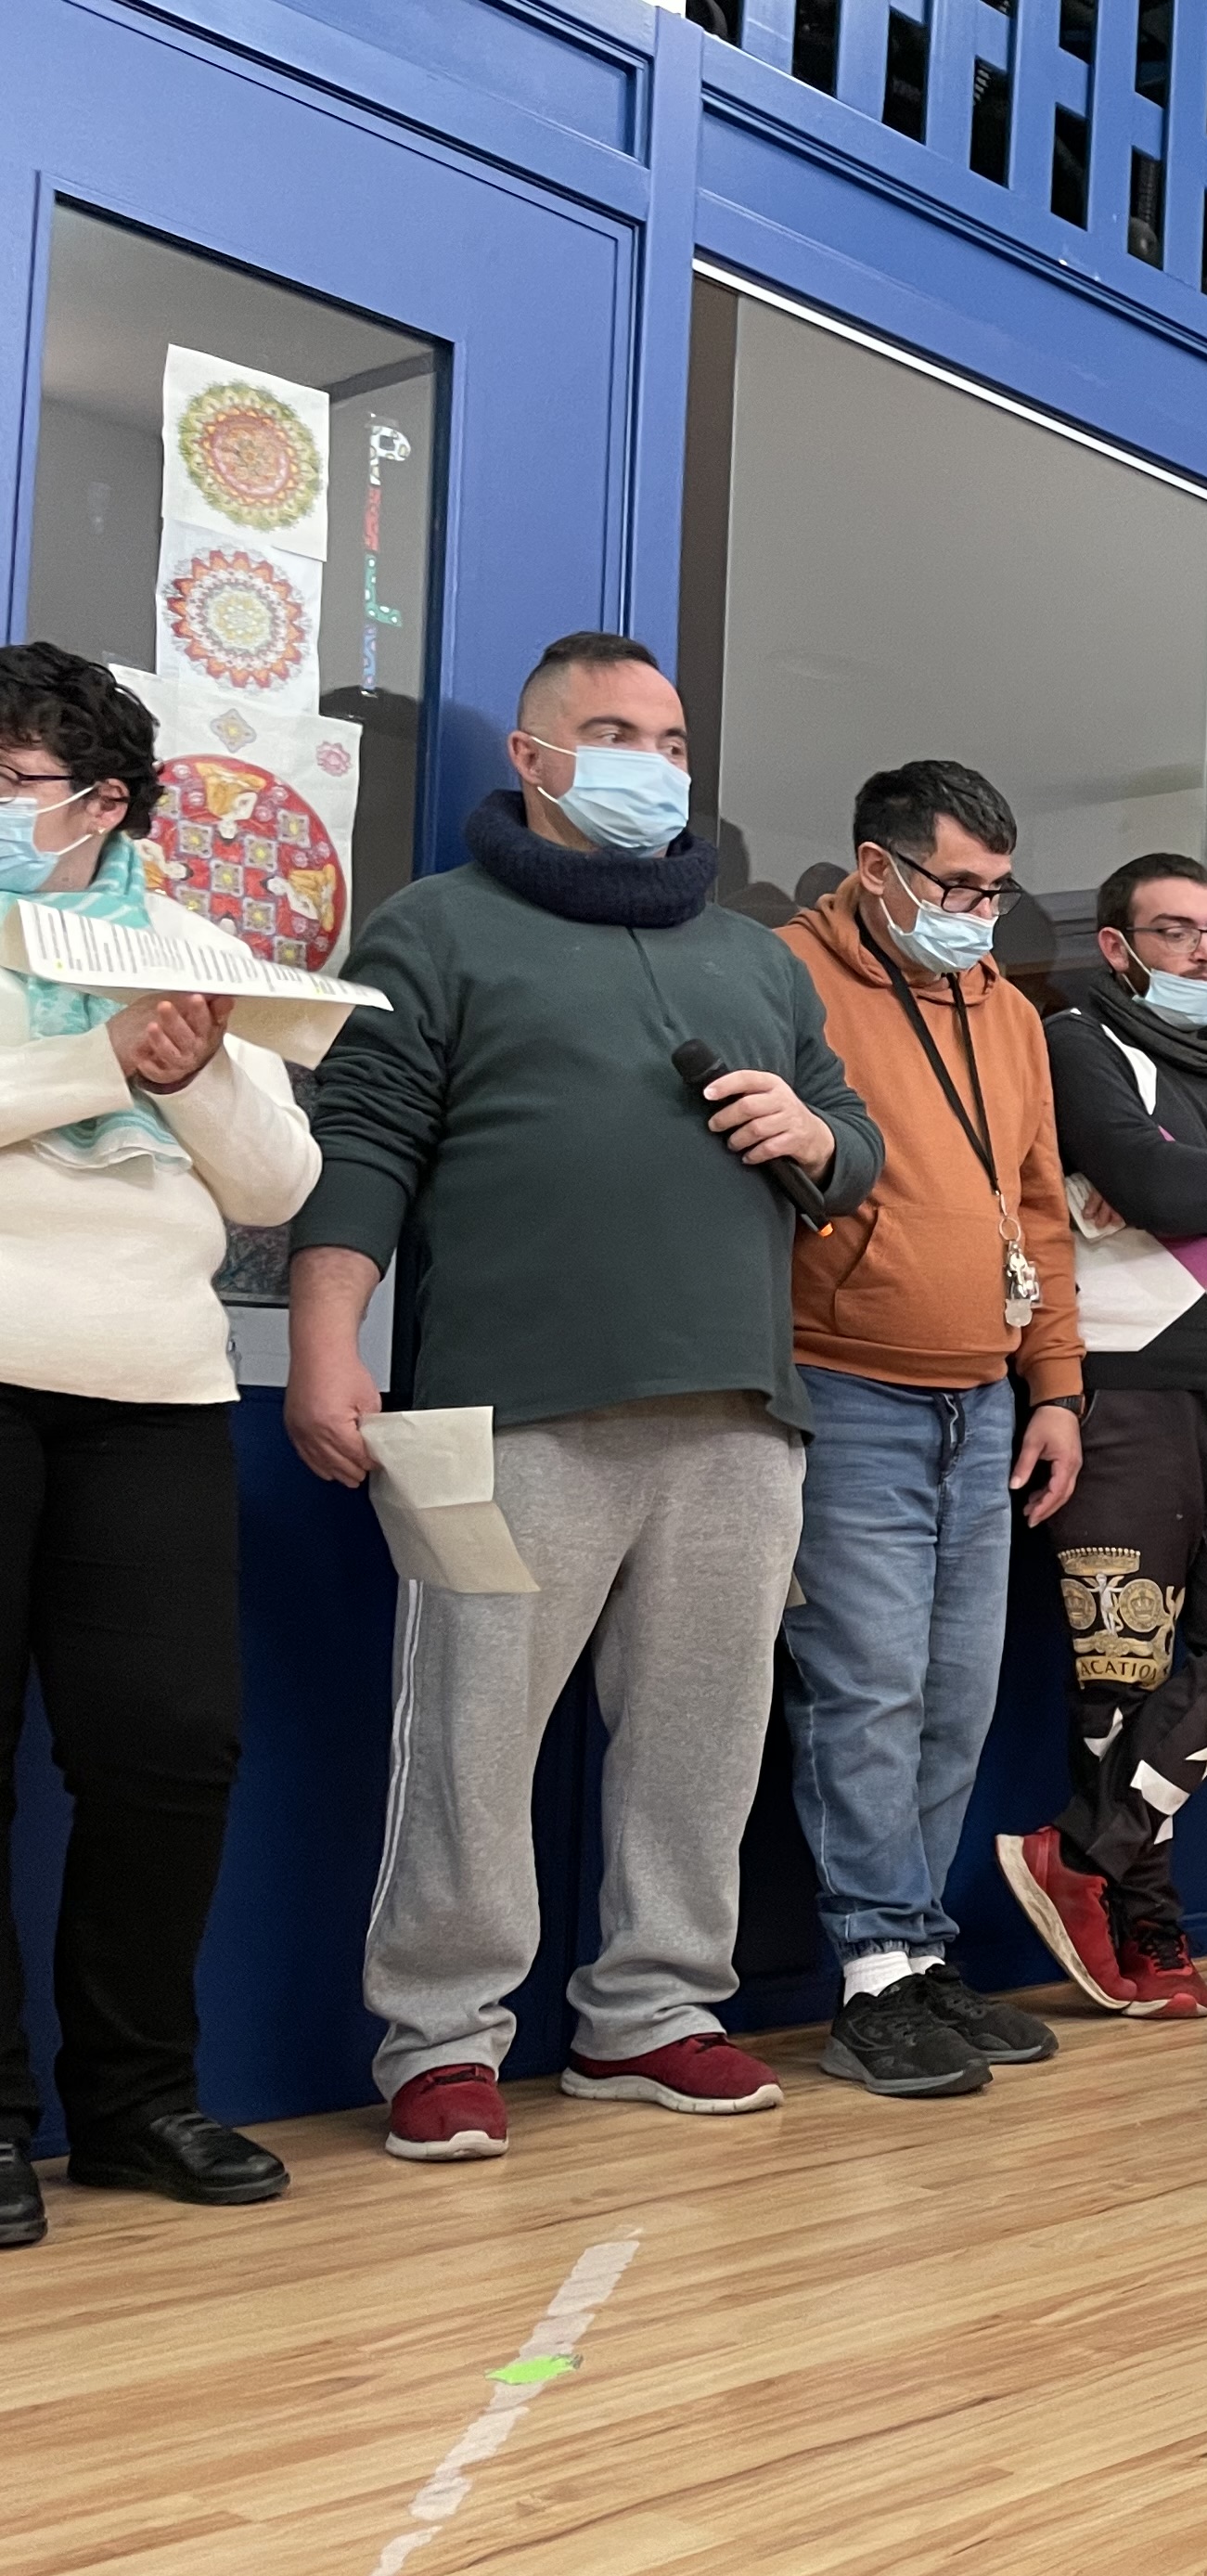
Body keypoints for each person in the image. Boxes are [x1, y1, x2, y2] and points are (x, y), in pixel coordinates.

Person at [287, 630, 882, 2163]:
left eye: (672, 739)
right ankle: (437, 2033)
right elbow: (359, 1149)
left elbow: (856, 1147)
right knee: (469, 1736)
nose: (650, 762)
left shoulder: (756, 957)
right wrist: (324, 1338)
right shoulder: (433, 931)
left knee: (703, 1739)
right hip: (504, 1411)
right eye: (612, 729)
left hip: (740, 1415)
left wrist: (811, 1139)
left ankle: (655, 2010)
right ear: (533, 755)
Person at [0, 644, 320, 2246]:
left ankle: (135, 2099)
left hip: (158, 1393)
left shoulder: (182, 940)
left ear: (104, 802)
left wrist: (187, 1071)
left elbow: (269, 1182)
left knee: (167, 1749)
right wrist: (92, 1063)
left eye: (14, 780)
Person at [769, 762, 1085, 2098]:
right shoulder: (784, 973)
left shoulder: (1006, 1010)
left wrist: (1056, 1383)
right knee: (867, 1688)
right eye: (956, 884)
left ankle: (918, 1954)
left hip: (987, 1396)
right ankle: (872, 1972)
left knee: (955, 1701)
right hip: (846, 1383)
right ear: (875, 864)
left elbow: (1041, 1210)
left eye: (997, 890)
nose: (976, 911)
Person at [997, 854, 1207, 2020]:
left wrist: (1180, 1184)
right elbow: (1152, 1171)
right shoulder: (1075, 1041)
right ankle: (1145, 1925)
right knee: (1119, 1681)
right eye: (1176, 932)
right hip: (1119, 1392)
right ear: (1118, 944)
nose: (1204, 953)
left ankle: (1079, 1859)